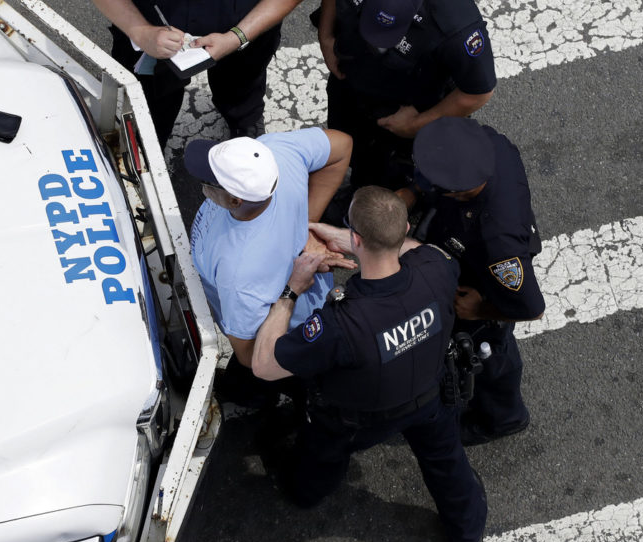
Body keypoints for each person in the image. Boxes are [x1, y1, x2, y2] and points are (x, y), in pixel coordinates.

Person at [251, 186, 487, 542]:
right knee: (448, 464)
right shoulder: (436, 270)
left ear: (356, 238)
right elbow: (417, 251)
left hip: (358, 420)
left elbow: (263, 365)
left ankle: (304, 494)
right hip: (430, 396)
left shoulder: (341, 323)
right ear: (407, 227)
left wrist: (291, 292)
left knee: (318, 461)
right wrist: (360, 239)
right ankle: (468, 541)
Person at [408, 116, 545, 446]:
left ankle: (503, 417)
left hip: (480, 283)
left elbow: (531, 307)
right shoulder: (487, 145)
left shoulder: (497, 243)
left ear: (462, 191)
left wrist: (481, 309)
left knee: (489, 351)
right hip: (458, 242)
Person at [187, 128, 353, 377]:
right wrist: (307, 224)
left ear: (235, 201)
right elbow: (342, 144)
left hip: (289, 330)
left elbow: (249, 354)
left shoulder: (237, 274)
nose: (203, 187)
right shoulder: (274, 152)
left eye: (208, 183)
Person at [316, 0, 496, 190]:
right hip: (349, 79)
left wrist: (415, 124)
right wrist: (325, 36)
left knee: (381, 175)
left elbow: (478, 92)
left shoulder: (456, 25)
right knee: (342, 140)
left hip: (397, 110)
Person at [92, 0, 302, 148]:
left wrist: (237, 37)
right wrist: (140, 31)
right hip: (152, 26)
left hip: (246, 20)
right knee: (152, 103)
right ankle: (150, 147)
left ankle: (244, 119)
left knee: (242, 83)